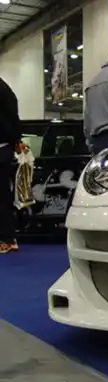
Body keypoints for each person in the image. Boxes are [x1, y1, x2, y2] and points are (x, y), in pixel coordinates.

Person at [0, 77, 21, 253]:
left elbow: (12, 116)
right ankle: (7, 238)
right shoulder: (5, 89)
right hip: (5, 146)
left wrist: (15, 140)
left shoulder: (2, 89)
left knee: (2, 197)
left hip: (2, 148)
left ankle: (7, 239)